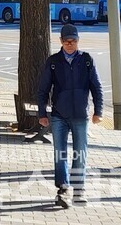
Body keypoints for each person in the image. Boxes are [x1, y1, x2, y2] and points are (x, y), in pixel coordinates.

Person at [37, 23, 103, 207]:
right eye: (66, 41)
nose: (70, 44)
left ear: (78, 41)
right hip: (59, 115)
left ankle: (79, 190)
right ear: (61, 41)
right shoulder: (53, 62)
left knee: (80, 154)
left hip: (81, 116)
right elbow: (43, 90)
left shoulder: (87, 60)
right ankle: (63, 189)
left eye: (73, 40)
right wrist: (42, 114)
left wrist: (99, 111)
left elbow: (96, 87)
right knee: (60, 154)